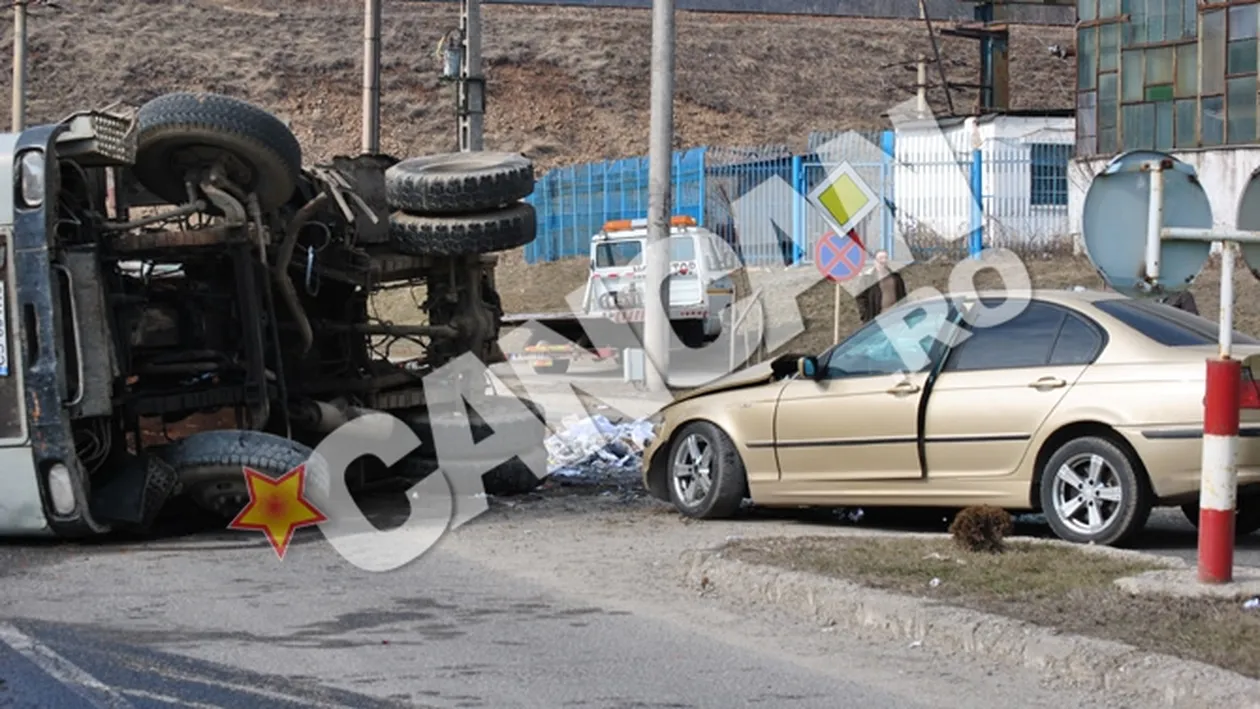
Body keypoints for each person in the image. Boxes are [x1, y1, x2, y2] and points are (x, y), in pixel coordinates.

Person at [856, 249, 907, 323]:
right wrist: (865, 315)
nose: (883, 260)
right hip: (877, 317)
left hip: (896, 316)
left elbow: (903, 296)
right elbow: (860, 297)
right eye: (880, 258)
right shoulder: (868, 278)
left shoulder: (896, 276)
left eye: (885, 258)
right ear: (875, 261)